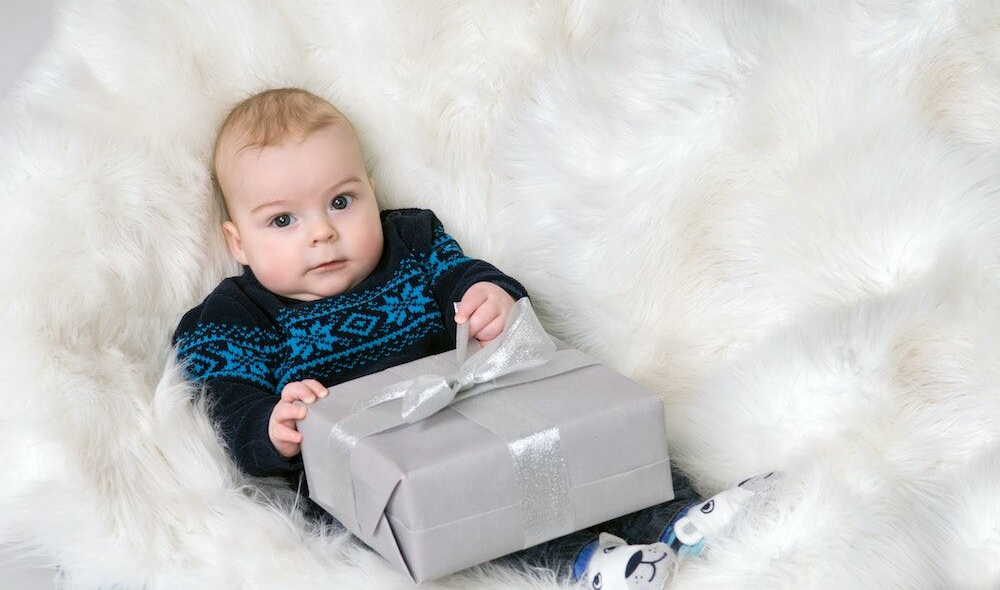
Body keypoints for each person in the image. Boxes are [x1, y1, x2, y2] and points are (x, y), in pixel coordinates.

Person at [171, 88, 780, 589]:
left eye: (341, 201)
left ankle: (682, 515)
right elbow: (227, 410)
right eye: (283, 219)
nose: (322, 233)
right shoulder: (236, 317)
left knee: (586, 440)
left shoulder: (410, 242)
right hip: (374, 478)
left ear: (371, 192)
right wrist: (273, 428)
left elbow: (462, 276)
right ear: (238, 242)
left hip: (473, 412)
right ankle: (586, 563)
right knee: (478, 514)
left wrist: (490, 295)